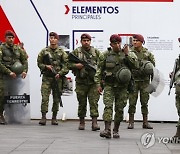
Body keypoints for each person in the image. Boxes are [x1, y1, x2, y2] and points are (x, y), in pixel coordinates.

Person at [94, 34, 137, 138]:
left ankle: (116, 130)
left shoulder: (128, 54)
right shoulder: (105, 55)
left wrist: (127, 55)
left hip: (122, 87)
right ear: (111, 44)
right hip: (109, 85)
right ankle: (107, 129)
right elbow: (99, 70)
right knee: (108, 106)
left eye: (118, 43)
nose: (117, 45)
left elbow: (136, 66)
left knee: (119, 108)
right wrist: (98, 84)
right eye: (115, 43)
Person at [68, 33, 101, 131]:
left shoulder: (96, 52)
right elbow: (67, 63)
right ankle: (82, 122)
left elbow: (102, 64)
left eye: (88, 41)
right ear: (81, 41)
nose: (86, 42)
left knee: (94, 102)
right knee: (82, 102)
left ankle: (94, 122)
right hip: (81, 82)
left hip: (93, 82)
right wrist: (76, 66)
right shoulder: (76, 52)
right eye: (84, 41)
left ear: (90, 41)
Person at [37, 32, 69, 126]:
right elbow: (39, 63)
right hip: (47, 78)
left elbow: (66, 66)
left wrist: (60, 73)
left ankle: (54, 118)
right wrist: (45, 66)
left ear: (57, 40)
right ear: (49, 39)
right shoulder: (44, 51)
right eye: (51, 38)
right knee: (45, 97)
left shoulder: (62, 52)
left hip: (57, 78)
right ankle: (43, 117)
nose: (52, 39)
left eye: (54, 38)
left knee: (56, 98)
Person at [127, 34, 155, 129]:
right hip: (134, 81)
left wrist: (153, 84)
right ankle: (131, 122)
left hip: (145, 82)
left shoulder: (148, 54)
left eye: (136, 40)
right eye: (133, 40)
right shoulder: (129, 53)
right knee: (132, 102)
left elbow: (152, 69)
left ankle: (145, 122)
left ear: (141, 42)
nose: (134, 42)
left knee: (144, 102)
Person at [0, 30, 28, 124]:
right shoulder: (1, 48)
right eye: (9, 38)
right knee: (2, 96)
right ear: (5, 38)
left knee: (13, 96)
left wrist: (24, 70)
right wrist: (8, 72)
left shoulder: (18, 49)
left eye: (12, 38)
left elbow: (24, 60)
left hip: (15, 78)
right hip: (3, 76)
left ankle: (12, 117)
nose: (11, 39)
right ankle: (1, 115)